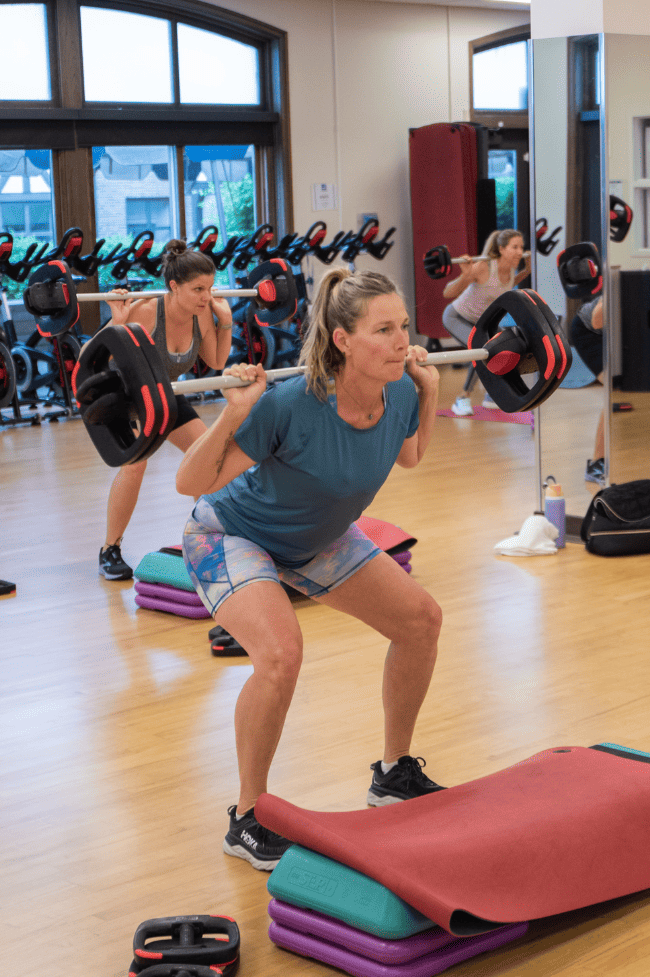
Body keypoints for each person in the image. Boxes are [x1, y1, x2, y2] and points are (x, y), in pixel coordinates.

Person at [176, 268, 444, 871]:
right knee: (280, 655)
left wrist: (429, 392)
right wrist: (232, 414)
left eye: (403, 326)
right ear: (343, 340)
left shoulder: (398, 390)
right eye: (384, 330)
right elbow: (188, 483)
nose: (402, 341)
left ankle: (394, 773)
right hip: (232, 535)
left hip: (318, 538)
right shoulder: (292, 403)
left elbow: (411, 455)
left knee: (421, 620)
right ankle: (247, 815)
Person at [98, 240, 234, 580]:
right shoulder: (146, 311)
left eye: (210, 288)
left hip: (162, 394)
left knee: (210, 456)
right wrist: (117, 323)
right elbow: (98, 356)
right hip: (124, 394)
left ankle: (210, 541)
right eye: (198, 289)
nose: (206, 297)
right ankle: (109, 548)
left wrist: (226, 321)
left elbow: (216, 361)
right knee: (136, 465)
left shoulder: (201, 315)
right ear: (173, 287)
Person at [441, 228, 528, 414]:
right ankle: (462, 399)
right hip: (457, 317)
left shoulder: (511, 271)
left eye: (522, 247)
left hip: (482, 323)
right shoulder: (483, 267)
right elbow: (447, 293)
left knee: (506, 348)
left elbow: (506, 286)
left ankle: (491, 395)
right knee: (481, 350)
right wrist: (465, 274)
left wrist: (527, 269)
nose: (520, 252)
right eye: (515, 247)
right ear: (502, 249)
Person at [568, 296, 606, 484]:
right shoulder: (619, 277)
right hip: (588, 331)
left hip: (615, 333)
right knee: (614, 392)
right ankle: (597, 464)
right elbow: (597, 321)